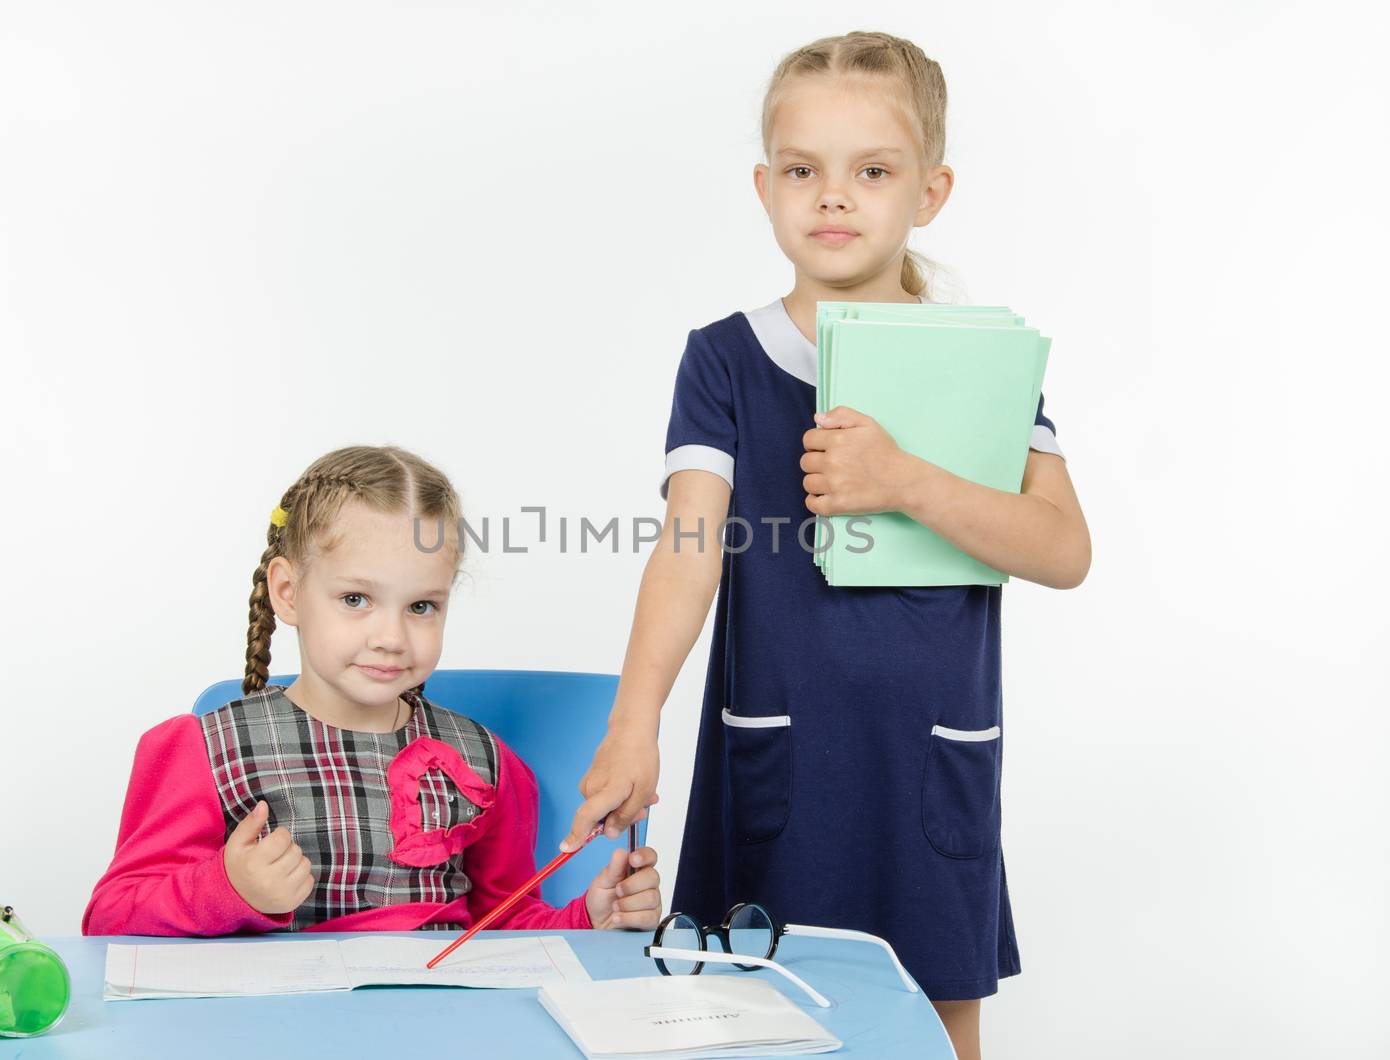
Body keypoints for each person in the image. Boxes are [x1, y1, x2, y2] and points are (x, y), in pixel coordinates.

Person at [559, 32, 1091, 1059]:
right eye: (803, 170)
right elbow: (688, 541)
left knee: (935, 1021)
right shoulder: (723, 359)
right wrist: (635, 721)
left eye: (872, 172)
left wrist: (907, 481)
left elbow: (1062, 546)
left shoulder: (981, 361)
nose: (832, 197)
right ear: (764, 187)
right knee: (755, 1020)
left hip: (932, 765)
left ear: (929, 191)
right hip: (781, 761)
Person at [84, 445, 662, 937]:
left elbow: (502, 925)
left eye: (421, 606)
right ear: (287, 592)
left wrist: (589, 916)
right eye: (356, 599)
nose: (390, 637)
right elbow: (109, 918)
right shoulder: (205, 751)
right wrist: (228, 888)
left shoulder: (485, 761)